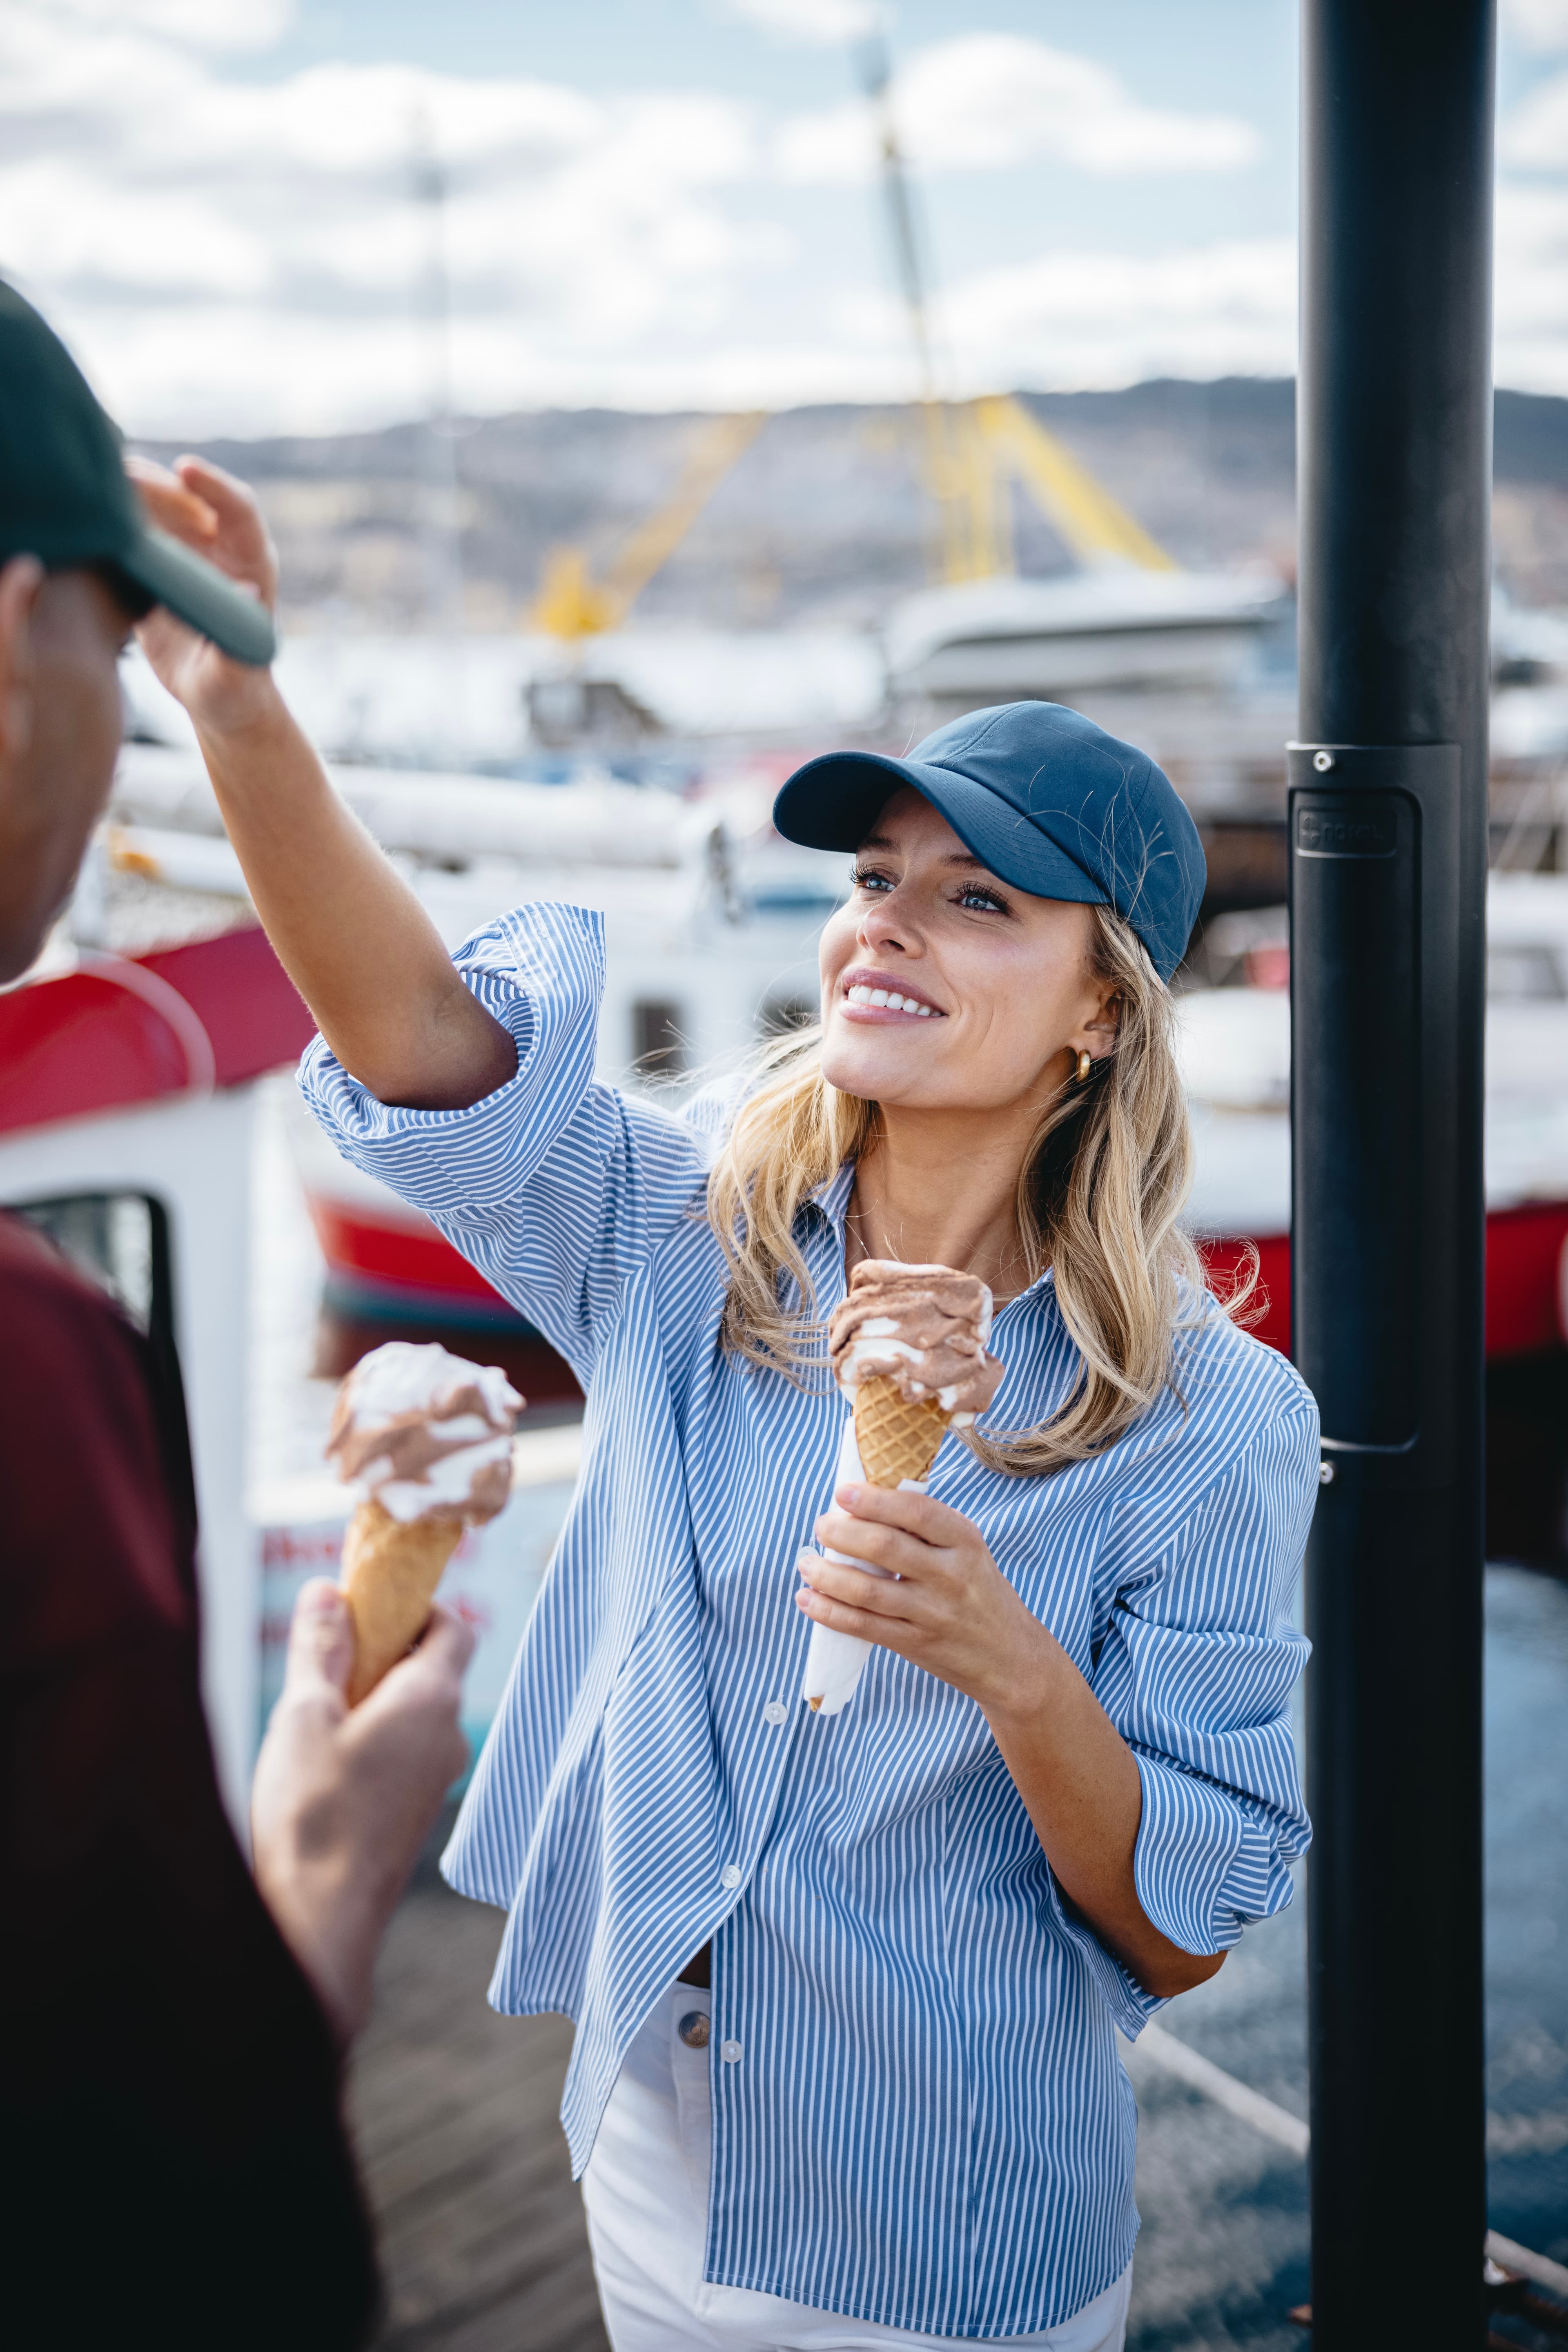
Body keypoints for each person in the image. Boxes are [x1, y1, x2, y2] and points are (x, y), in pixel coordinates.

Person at [135, 444, 1319, 2350]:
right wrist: (239, 710)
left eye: (978, 900)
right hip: (646, 2161)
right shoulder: (685, 1233)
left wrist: (1014, 1665)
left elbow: (1188, 1921)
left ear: (1104, 1010)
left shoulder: (1206, 1420)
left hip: (953, 2227)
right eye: (874, 880)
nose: (887, 924)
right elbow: (426, 1042)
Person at [0, 282, 474, 2348]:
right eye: (110, 648)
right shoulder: (25, 1372)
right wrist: (332, 1873)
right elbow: (195, 2262)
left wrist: (241, 717)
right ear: (15, 648)